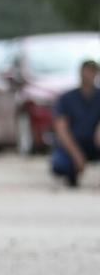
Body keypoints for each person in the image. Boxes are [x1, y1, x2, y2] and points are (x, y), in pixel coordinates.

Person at [50, 60, 100, 188]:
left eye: (92, 72)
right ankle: (72, 174)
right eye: (86, 71)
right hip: (74, 143)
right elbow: (61, 130)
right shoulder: (67, 98)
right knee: (60, 164)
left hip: (94, 143)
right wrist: (76, 154)